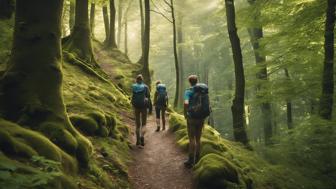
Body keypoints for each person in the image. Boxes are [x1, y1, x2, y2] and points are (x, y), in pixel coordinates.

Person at [183, 75, 210, 168]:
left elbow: (186, 103)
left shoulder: (188, 91)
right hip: (201, 118)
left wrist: (185, 113)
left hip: (191, 118)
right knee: (198, 139)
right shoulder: (202, 91)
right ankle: (198, 160)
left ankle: (190, 160)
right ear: (197, 81)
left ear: (190, 82)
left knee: (191, 139)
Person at [131, 74, 152, 148]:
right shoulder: (145, 87)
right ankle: (142, 137)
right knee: (144, 124)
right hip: (144, 107)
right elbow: (148, 97)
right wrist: (150, 108)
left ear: (136, 80)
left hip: (136, 107)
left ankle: (137, 140)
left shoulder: (134, 87)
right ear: (142, 80)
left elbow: (133, 97)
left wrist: (133, 105)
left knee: (137, 125)